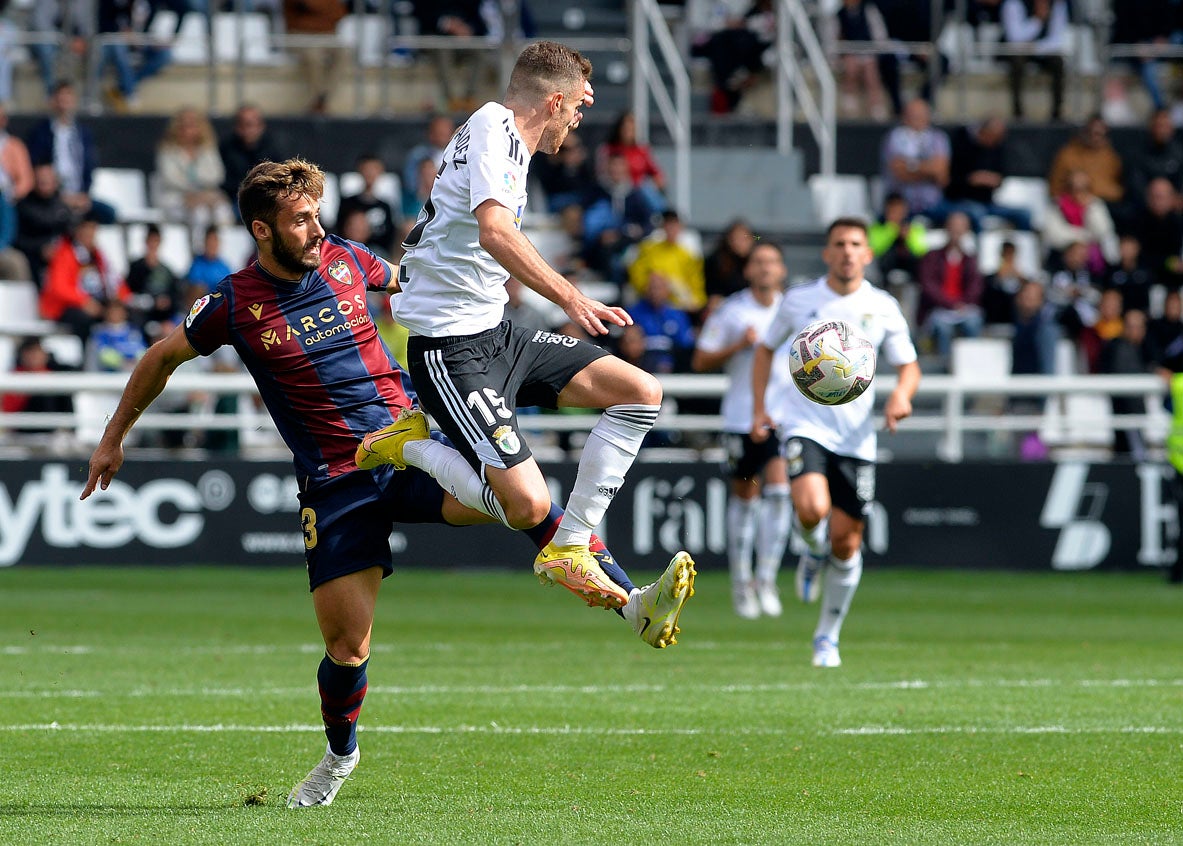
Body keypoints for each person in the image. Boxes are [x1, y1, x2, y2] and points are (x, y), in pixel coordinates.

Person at [81, 157, 695, 812]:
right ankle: (339, 756)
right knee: (348, 647)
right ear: (262, 230)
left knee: (523, 502)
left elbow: (416, 288)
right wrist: (115, 435)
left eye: (316, 213)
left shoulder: (348, 259)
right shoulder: (232, 304)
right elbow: (161, 356)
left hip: (409, 442)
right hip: (336, 480)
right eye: (298, 220)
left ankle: (634, 603)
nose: (315, 228)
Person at [366, 40, 694, 630]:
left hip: (497, 334)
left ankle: (572, 548)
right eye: (574, 111)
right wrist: (569, 295)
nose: (576, 124)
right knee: (525, 504)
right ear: (556, 99)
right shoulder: (494, 127)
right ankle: (413, 443)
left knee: (640, 391)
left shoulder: (510, 142)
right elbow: (494, 231)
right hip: (451, 351)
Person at [750, 217, 921, 668]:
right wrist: (759, 408)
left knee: (847, 544)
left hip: (857, 437)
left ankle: (827, 635)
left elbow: (909, 365)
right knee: (811, 509)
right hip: (804, 425)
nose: (847, 251)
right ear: (827, 253)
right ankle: (808, 548)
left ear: (867, 254)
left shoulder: (883, 307)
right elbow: (766, 349)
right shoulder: (801, 300)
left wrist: (901, 397)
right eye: (839, 244)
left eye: (855, 244)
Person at [692, 241, 792, 619]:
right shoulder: (733, 311)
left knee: (781, 493)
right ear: (748, 270)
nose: (766, 268)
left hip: (783, 418)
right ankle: (741, 581)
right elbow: (701, 358)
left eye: (773, 262)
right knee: (746, 499)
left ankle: (766, 578)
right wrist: (738, 345)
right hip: (740, 417)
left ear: (781, 270)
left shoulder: (793, 310)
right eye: (759, 262)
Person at [24, 81, 116, 224]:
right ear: (53, 101)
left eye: (67, 98)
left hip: (79, 195)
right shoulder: (41, 132)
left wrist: (84, 194)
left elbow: (88, 165)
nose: (63, 103)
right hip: (52, 196)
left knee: (109, 214)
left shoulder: (83, 133)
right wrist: (56, 193)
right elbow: (37, 166)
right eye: (60, 98)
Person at [940, 117, 1032, 232]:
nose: (996, 141)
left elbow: (1002, 177)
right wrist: (973, 179)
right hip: (960, 202)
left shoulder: (996, 148)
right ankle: (979, 248)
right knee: (977, 212)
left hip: (989, 203)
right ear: (984, 132)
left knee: (1024, 214)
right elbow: (949, 180)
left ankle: (1020, 248)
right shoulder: (961, 142)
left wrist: (994, 180)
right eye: (994, 136)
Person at [155, 107, 235, 236]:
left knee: (223, 210)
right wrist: (195, 192)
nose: (187, 130)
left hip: (205, 196)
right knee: (200, 213)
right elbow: (171, 179)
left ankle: (220, 251)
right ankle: (198, 252)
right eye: (183, 125)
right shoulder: (167, 150)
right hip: (175, 199)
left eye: (192, 125)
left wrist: (201, 194)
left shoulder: (208, 149)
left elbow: (216, 175)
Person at [917, 210, 985, 357]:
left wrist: (963, 303)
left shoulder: (970, 259)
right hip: (939, 308)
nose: (957, 230)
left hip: (964, 308)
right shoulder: (932, 257)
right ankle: (945, 366)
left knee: (974, 321)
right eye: (954, 226)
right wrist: (949, 303)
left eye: (961, 227)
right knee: (942, 327)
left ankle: (971, 361)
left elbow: (976, 285)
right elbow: (928, 284)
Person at [880, 98, 950, 220]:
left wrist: (911, 165)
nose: (917, 119)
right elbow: (900, 173)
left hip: (934, 205)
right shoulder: (894, 137)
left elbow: (941, 175)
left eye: (921, 115)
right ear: (904, 116)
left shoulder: (938, 138)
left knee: (962, 217)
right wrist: (929, 169)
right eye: (913, 115)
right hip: (901, 207)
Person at [1000, 0, 1068, 122]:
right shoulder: (1014, 3)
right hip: (1018, 51)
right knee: (1017, 63)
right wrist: (1038, 20)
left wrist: (1036, 47)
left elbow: (1058, 39)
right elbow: (1015, 37)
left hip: (1042, 49)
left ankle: (1057, 113)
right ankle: (1018, 113)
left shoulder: (1057, 4)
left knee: (1058, 62)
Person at [282, 0, 347, 114]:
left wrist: (316, 9)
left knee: (345, 52)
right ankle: (319, 100)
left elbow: (339, 13)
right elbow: (302, 6)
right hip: (300, 35)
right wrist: (323, 8)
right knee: (313, 56)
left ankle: (323, 97)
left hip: (327, 35)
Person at [219, 104, 283, 211]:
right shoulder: (226, 148)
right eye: (244, 124)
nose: (249, 129)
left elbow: (279, 176)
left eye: (254, 124)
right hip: (235, 200)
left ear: (261, 126)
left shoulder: (272, 146)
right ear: (237, 127)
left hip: (266, 199)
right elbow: (223, 180)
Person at [336, 154, 399, 257]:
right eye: (366, 169)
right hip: (349, 251)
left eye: (373, 169)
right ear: (359, 171)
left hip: (378, 255)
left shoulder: (385, 206)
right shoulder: (347, 203)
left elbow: (390, 237)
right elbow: (339, 230)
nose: (370, 174)